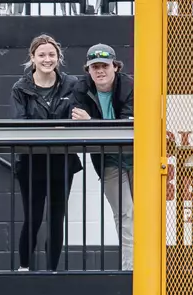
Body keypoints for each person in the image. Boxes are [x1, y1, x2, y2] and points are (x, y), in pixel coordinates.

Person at [10, 35, 85, 272]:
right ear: (32, 58)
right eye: (41, 54)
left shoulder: (72, 84)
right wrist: (56, 127)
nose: (47, 59)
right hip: (31, 162)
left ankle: (52, 270)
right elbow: (21, 124)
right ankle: (23, 268)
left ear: (58, 58)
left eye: (51, 54)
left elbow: (75, 118)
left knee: (56, 219)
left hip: (62, 162)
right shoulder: (20, 87)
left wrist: (54, 127)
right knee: (32, 217)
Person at [71, 43, 134, 272]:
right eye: (95, 66)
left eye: (105, 66)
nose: (100, 71)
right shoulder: (81, 89)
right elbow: (79, 128)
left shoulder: (129, 85)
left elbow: (128, 127)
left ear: (115, 67)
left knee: (144, 213)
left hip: (137, 157)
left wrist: (93, 123)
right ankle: (130, 270)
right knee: (125, 213)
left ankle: (147, 269)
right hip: (107, 159)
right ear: (88, 70)